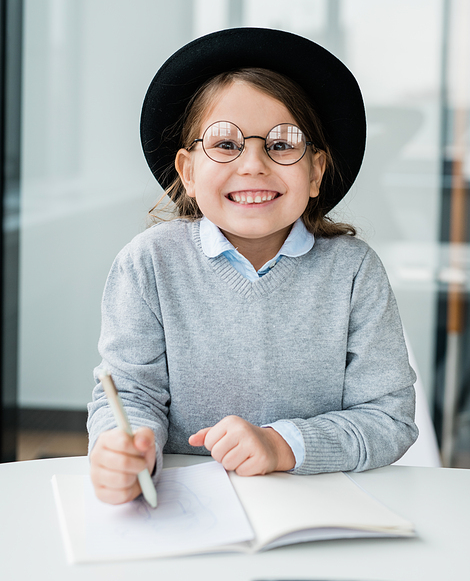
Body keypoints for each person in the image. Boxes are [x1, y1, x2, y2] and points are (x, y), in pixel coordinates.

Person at [87, 27, 418, 505]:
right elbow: (130, 395)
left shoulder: (353, 272)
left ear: (316, 173)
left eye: (283, 145)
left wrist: (282, 445)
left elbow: (389, 417)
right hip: (185, 505)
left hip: (317, 502)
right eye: (225, 144)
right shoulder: (149, 263)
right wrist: (123, 450)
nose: (254, 165)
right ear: (188, 172)